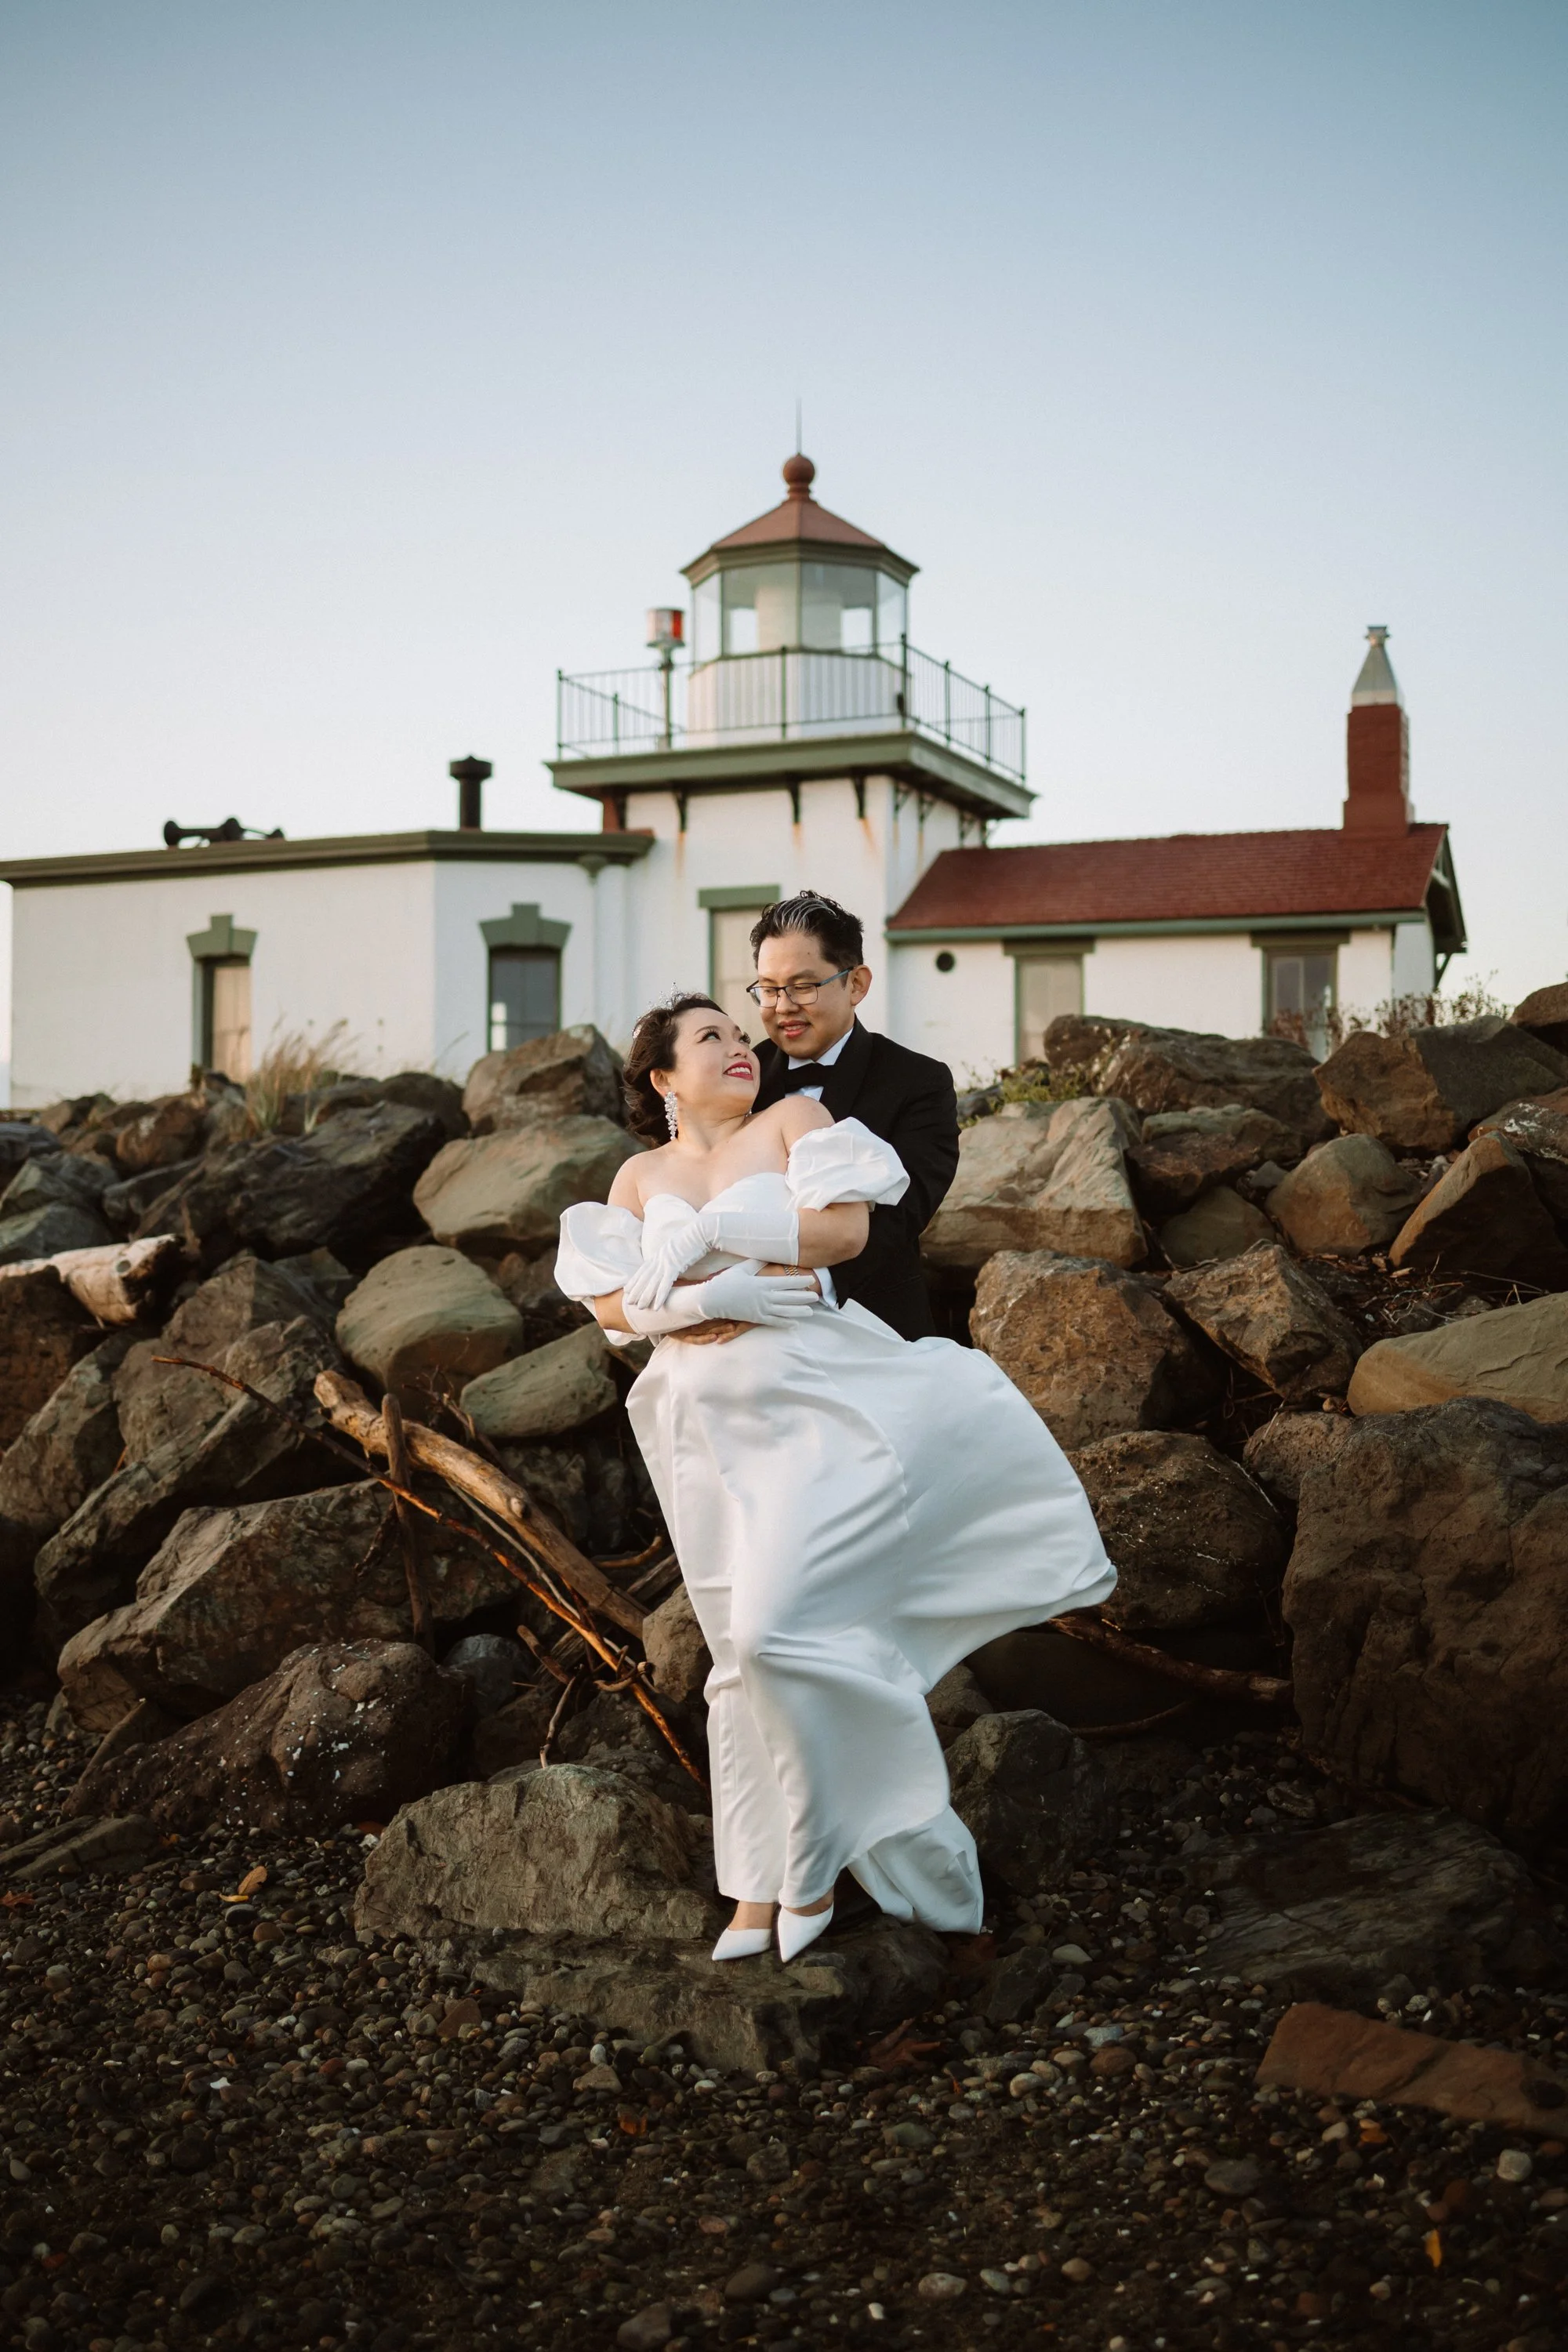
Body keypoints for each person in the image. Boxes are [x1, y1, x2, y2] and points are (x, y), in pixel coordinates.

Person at [554, 992, 1116, 1967]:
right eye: (712, 1037)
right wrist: (702, 1297)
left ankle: (813, 1861)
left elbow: (843, 1232)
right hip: (697, 1427)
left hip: (811, 1406)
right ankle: (753, 1891)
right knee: (736, 1659)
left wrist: (706, 1248)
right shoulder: (638, 1177)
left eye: (740, 1033)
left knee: (776, 1636)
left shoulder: (793, 1119)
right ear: (662, 1076)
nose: (740, 1046)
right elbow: (607, 1302)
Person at [746, 891, 957, 1341]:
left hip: (873, 1323)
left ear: (856, 984)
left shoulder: (919, 1081)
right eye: (769, 989)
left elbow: (900, 1217)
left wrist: (785, 1285)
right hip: (743, 1329)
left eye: (803, 986)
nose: (783, 1006)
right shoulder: (742, 1074)